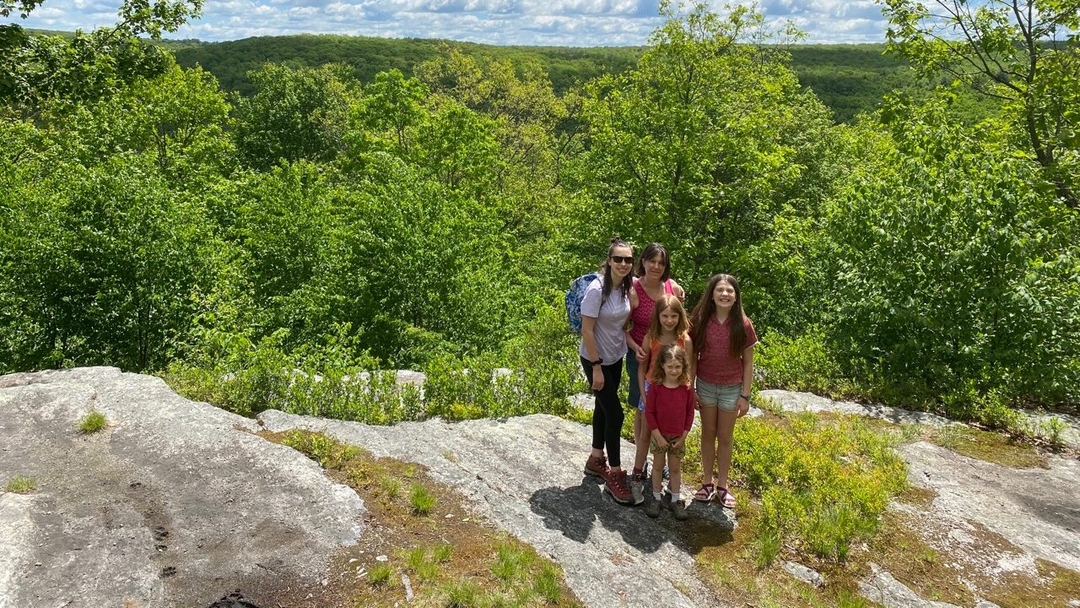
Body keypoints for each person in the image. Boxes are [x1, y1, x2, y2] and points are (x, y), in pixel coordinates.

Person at [689, 274, 757, 509]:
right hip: (705, 385)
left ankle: (723, 485)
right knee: (708, 433)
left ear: (736, 296)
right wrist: (691, 387)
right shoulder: (700, 320)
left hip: (732, 388)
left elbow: (748, 362)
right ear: (712, 293)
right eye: (720, 290)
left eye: (729, 291)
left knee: (725, 437)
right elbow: (693, 356)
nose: (724, 294)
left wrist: (745, 396)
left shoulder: (743, 324)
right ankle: (707, 482)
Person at [580, 238, 640, 505]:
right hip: (596, 359)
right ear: (609, 260)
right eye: (619, 259)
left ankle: (596, 458)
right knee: (614, 414)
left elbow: (647, 294)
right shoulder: (597, 289)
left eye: (628, 260)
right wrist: (595, 368)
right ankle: (614, 473)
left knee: (603, 408)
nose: (624, 264)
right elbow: (587, 330)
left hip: (616, 356)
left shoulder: (627, 286)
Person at [624, 243, 684, 483]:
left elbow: (678, 321)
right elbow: (623, 329)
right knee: (642, 411)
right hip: (640, 355)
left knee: (667, 408)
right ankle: (643, 459)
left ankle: (663, 459)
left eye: (661, 262)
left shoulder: (672, 287)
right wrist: (635, 347)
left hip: (670, 360)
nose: (656, 266)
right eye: (652, 261)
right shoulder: (633, 289)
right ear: (644, 262)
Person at [630, 294, 694, 484]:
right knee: (646, 433)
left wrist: (689, 394)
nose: (669, 320)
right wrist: (643, 394)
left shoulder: (685, 340)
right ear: (657, 316)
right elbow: (642, 369)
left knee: (670, 430)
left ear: (680, 316)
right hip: (652, 388)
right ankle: (638, 470)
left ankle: (665, 468)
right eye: (665, 316)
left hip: (675, 392)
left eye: (673, 316)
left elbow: (688, 369)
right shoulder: (651, 338)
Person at [643, 344, 696, 520]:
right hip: (659, 435)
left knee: (674, 468)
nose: (674, 370)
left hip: (678, 437)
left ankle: (675, 499)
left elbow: (690, 412)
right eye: (670, 366)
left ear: (684, 367)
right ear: (662, 366)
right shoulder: (656, 387)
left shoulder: (687, 388)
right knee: (658, 466)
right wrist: (657, 436)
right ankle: (656, 498)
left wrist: (684, 436)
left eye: (678, 367)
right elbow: (649, 412)